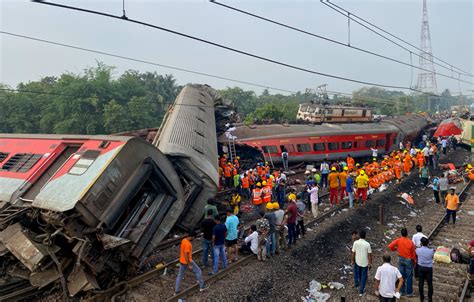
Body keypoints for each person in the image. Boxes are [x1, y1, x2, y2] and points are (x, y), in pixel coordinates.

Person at [388, 228, 416, 297]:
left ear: (401, 234)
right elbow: (413, 253)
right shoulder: (410, 242)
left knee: (401, 275)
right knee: (409, 276)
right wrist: (414, 261)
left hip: (401, 259)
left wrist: (396, 249)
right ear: (407, 234)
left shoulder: (398, 240)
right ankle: (409, 293)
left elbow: (390, 246)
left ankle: (402, 291)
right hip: (408, 260)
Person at [352, 230, 372, 297]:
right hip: (365, 263)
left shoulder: (355, 243)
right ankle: (361, 290)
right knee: (364, 276)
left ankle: (358, 284)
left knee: (358, 273)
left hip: (357, 261)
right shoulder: (367, 244)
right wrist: (370, 263)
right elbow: (369, 255)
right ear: (365, 236)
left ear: (359, 236)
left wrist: (352, 261)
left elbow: (353, 253)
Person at [416, 237, 434, 302]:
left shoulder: (417, 250)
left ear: (421, 243)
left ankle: (421, 298)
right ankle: (430, 298)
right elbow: (432, 256)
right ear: (427, 243)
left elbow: (417, 254)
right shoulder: (431, 251)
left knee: (421, 283)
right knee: (430, 283)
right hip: (429, 268)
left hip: (421, 268)